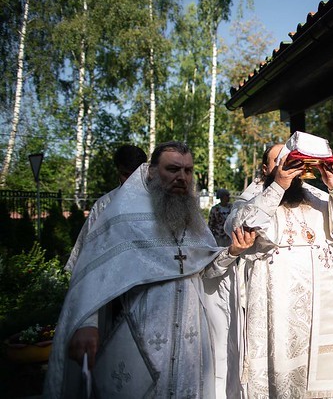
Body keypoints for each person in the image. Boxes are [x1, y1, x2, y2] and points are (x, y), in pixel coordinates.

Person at [43, 141, 255, 399]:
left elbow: (205, 270)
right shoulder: (120, 214)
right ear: (152, 171)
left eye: (188, 171)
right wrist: (88, 323)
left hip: (190, 339)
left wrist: (232, 251)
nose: (182, 177)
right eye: (173, 169)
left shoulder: (193, 219)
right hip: (140, 333)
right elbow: (93, 273)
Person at [219, 131, 333, 398]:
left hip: (325, 303)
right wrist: (278, 186)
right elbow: (239, 226)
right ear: (266, 169)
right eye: (278, 161)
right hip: (278, 306)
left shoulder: (319, 196)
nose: (286, 166)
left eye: (292, 160)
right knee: (285, 376)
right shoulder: (253, 199)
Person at [64, 144, 148, 272]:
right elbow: (87, 245)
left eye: (135, 175)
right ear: (118, 171)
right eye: (125, 174)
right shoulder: (104, 205)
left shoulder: (157, 202)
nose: (130, 181)